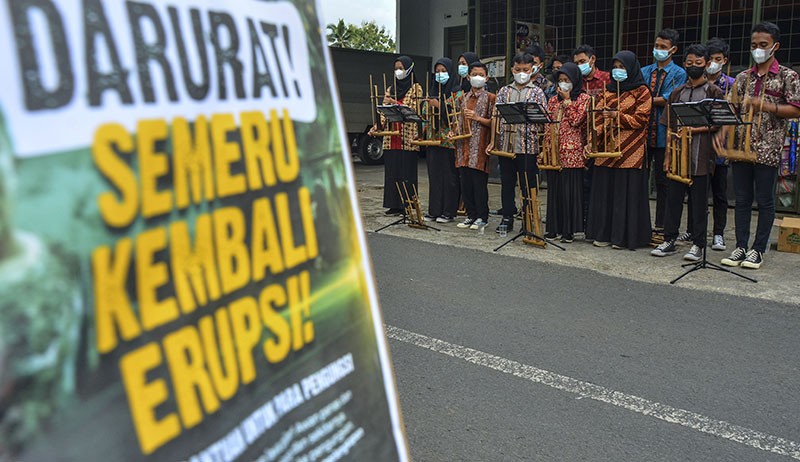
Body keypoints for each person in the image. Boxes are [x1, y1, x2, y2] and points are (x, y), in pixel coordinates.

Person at [716, 22, 800, 269]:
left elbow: (796, 108)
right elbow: (731, 110)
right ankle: (741, 246)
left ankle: (758, 249)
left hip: (768, 148)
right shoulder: (743, 77)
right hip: (741, 147)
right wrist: (722, 132)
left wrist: (767, 106)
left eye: (763, 45)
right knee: (741, 200)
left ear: (775, 46)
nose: (758, 49)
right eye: (754, 45)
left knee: (764, 200)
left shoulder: (787, 76)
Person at [651, 44, 724, 260]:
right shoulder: (676, 93)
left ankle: (698, 244)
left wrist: (696, 128)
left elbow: (719, 122)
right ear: (685, 65)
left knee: (699, 203)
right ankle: (669, 240)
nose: (694, 67)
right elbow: (670, 127)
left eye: (698, 63)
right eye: (690, 63)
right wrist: (666, 158)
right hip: (676, 155)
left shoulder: (713, 91)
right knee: (673, 200)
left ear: (707, 65)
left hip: (701, 156)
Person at [586, 51, 653, 250]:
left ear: (631, 68)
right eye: (615, 66)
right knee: (605, 192)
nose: (618, 71)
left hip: (631, 152)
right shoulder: (607, 91)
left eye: (622, 67)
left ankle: (623, 237)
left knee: (625, 194)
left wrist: (617, 116)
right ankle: (603, 233)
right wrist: (594, 137)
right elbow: (596, 117)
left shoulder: (642, 91)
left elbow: (642, 120)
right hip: (606, 150)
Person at [487, 52, 548, 233]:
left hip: (529, 147)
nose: (522, 73)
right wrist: (493, 142)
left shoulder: (537, 92)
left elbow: (543, 121)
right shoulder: (504, 91)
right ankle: (507, 217)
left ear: (532, 70)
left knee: (528, 184)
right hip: (507, 146)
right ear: (512, 69)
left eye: (526, 70)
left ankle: (528, 220)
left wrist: (543, 148)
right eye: (518, 69)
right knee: (507, 183)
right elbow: (495, 118)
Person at [641, 29, 688, 239]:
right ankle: (641, 222)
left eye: (663, 47)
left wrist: (645, 101)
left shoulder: (679, 73)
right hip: (642, 133)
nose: (658, 50)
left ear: (673, 49)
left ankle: (661, 225)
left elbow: (671, 98)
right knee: (641, 179)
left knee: (663, 182)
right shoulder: (645, 71)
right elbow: (636, 92)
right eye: (656, 46)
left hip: (664, 134)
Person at [542, 62, 590, 243]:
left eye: (567, 80)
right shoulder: (553, 100)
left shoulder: (583, 99)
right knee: (554, 191)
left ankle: (569, 231)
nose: (563, 84)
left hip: (573, 152)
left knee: (570, 192)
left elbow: (577, 120)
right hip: (554, 151)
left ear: (575, 81)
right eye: (560, 80)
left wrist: (568, 101)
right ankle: (554, 228)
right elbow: (548, 125)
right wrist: (545, 149)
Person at [370, 56, 423, 215]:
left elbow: (413, 109)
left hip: (407, 136)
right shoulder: (391, 89)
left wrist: (395, 102)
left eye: (401, 68)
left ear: (408, 69)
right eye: (396, 68)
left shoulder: (416, 88)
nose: (398, 71)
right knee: (393, 171)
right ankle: (394, 204)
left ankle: (407, 204)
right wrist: (377, 126)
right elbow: (384, 111)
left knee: (406, 171)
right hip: (390, 136)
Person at [572, 44, 612, 231]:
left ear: (592, 59)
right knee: (583, 182)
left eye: (582, 61)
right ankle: (583, 220)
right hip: (579, 135)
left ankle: (598, 222)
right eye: (576, 63)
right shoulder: (575, 82)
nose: (580, 65)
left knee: (600, 182)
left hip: (603, 136)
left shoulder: (607, 79)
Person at [453, 62, 496, 230]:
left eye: (481, 74)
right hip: (463, 146)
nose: (477, 77)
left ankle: (482, 216)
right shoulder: (462, 98)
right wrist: (453, 132)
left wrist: (477, 118)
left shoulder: (491, 98)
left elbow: (495, 122)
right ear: (468, 77)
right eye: (474, 74)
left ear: (486, 78)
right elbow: (456, 120)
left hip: (480, 146)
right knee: (466, 183)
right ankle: (470, 215)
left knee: (479, 184)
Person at [706, 37, 736, 250]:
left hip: (720, 147)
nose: (713, 63)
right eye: (710, 59)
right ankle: (693, 229)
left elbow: (735, 114)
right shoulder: (697, 81)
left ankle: (718, 234)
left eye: (718, 59)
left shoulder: (731, 84)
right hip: (699, 144)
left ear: (724, 60)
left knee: (719, 193)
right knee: (697, 192)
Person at [423, 57, 460, 223]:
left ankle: (448, 211)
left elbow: (457, 114)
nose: (440, 74)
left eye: (443, 71)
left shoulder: (457, 92)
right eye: (437, 71)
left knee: (449, 177)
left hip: (448, 140)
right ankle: (434, 210)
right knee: (434, 176)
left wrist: (439, 106)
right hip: (433, 138)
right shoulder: (431, 91)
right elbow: (424, 114)